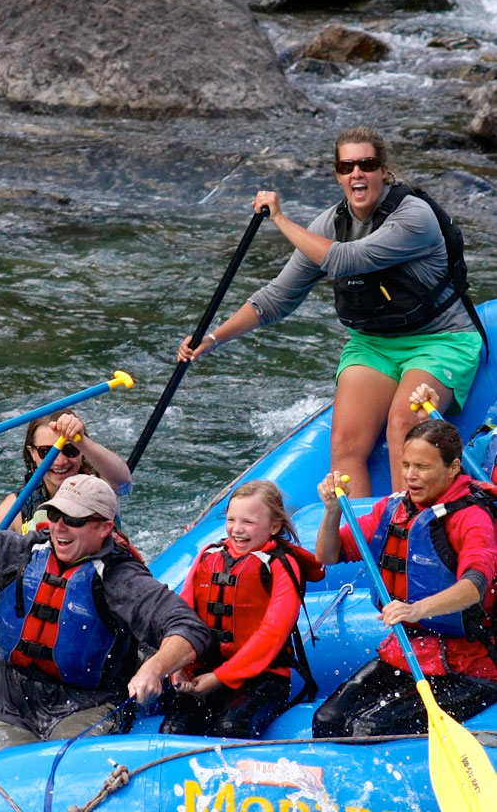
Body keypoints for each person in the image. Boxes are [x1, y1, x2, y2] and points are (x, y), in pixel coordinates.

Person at [178, 127, 483, 497]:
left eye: (367, 164)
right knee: (344, 445)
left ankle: (409, 532)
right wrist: (212, 338)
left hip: (441, 340)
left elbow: (346, 259)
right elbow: (277, 297)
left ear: (384, 170)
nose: (357, 173)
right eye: (347, 165)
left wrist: (279, 218)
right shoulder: (330, 224)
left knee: (404, 422)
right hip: (373, 345)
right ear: (338, 174)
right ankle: (363, 543)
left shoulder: (414, 217)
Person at [0, 445, 211, 754]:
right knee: (12, 777)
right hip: (11, 712)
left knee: (64, 771)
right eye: (54, 514)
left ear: (105, 527)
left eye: (74, 519)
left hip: (86, 709)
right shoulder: (19, 554)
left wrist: (154, 668)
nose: (60, 526)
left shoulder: (120, 579)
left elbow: (189, 628)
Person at [311, 417, 497, 738]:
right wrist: (331, 510)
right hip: (407, 652)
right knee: (327, 721)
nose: (410, 475)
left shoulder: (471, 518)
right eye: (406, 464)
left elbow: (473, 587)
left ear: (453, 468)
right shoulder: (393, 509)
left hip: (471, 666)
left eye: (422, 467)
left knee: (367, 728)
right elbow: (328, 555)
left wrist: (415, 610)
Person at [160, 481, 324, 739]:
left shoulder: (281, 565)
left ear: (274, 526)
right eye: (231, 519)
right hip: (205, 672)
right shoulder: (208, 555)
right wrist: (176, 666)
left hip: (263, 678)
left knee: (230, 728)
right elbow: (184, 615)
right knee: (174, 730)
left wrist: (219, 678)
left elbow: (271, 635)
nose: (237, 530)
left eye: (248, 522)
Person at [0, 409, 132, 614]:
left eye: (71, 450)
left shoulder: (101, 489)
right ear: (31, 453)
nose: (60, 461)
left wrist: (81, 440)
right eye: (46, 452)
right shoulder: (13, 509)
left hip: (102, 603)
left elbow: (123, 482)